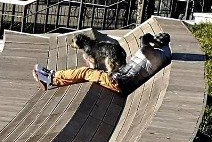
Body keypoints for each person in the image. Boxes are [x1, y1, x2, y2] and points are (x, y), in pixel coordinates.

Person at [33, 32, 171, 95]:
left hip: (119, 82)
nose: (152, 44)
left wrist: (147, 39)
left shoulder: (157, 55)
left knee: (85, 72)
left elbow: (144, 48)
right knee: (86, 73)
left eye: (155, 42)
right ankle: (53, 77)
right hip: (119, 78)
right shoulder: (159, 53)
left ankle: (51, 79)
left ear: (159, 44)